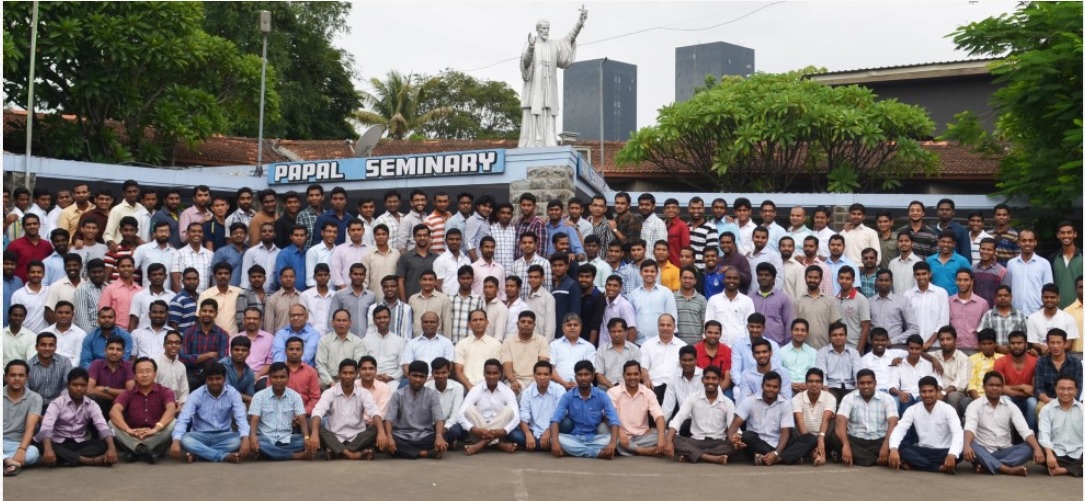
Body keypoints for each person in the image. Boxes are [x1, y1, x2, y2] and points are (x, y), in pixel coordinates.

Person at [962, 371, 1044, 476]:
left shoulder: (1010, 406)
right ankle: (1007, 469)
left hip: (1005, 451)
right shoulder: (974, 406)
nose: (994, 388)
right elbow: (970, 428)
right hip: (983, 450)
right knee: (971, 444)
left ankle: (988, 465)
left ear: (1002, 388)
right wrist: (966, 446)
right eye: (991, 385)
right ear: (984, 387)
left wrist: (1037, 448)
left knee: (1029, 448)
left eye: (998, 385)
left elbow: (1024, 430)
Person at [35, 368, 118, 467]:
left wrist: (112, 448)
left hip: (79, 443)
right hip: (58, 442)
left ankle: (65, 459)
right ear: (68, 386)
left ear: (87, 386)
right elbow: (46, 427)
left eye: (83, 385)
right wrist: (48, 449)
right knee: (41, 444)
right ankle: (89, 461)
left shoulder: (91, 404)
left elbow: (103, 426)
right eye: (75, 385)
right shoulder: (57, 403)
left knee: (103, 445)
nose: (79, 388)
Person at [310, 359, 386, 461]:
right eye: (344, 373)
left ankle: (337, 452)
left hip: (357, 438)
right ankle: (351, 454)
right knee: (313, 424)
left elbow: (374, 411)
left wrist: (381, 432)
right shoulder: (330, 393)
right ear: (339, 373)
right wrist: (314, 433)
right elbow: (318, 411)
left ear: (357, 374)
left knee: (377, 426)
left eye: (351, 373)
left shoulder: (364, 393)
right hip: (334, 437)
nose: (348, 376)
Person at [726, 371, 807, 465]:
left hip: (779, 443)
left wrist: (776, 453)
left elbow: (785, 433)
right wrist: (732, 441)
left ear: (780, 388)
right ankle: (788, 457)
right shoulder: (749, 401)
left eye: (775, 387)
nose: (771, 389)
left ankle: (775, 458)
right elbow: (733, 427)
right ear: (762, 386)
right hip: (757, 443)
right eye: (768, 386)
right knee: (746, 436)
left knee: (808, 438)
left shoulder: (785, 404)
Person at [888, 376, 964, 474]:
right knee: (901, 448)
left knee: (962, 450)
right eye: (923, 391)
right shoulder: (913, 410)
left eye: (930, 391)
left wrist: (952, 454)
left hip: (944, 451)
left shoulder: (948, 409)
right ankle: (938, 468)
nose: (927, 395)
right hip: (923, 450)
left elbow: (957, 432)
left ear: (937, 392)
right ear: (919, 393)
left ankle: (919, 464)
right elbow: (900, 430)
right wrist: (893, 449)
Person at [108, 357, 177, 463]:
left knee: (174, 423)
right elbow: (114, 411)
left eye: (148, 371)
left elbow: (171, 409)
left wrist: (156, 429)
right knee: (111, 423)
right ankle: (144, 451)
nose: (144, 375)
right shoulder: (128, 393)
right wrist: (128, 430)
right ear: (135, 376)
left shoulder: (165, 391)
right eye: (140, 372)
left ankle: (136, 450)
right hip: (134, 435)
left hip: (157, 435)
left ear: (155, 374)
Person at [664, 365, 735, 464]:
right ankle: (712, 458)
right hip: (696, 441)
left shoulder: (728, 403)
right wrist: (668, 440)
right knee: (675, 439)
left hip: (718, 442)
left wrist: (736, 440)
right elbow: (678, 418)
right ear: (702, 380)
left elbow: (733, 426)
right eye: (707, 378)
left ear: (720, 381)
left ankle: (692, 455)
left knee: (734, 447)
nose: (710, 381)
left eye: (714, 378)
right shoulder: (693, 398)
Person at [549, 360, 620, 459]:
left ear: (592, 376)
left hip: (595, 438)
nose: (583, 378)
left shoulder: (601, 395)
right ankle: (597, 453)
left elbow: (614, 419)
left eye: (586, 374)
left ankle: (574, 451)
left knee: (616, 440)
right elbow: (555, 420)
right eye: (580, 375)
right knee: (554, 439)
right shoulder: (568, 396)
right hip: (574, 437)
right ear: (575, 377)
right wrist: (555, 443)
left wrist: (612, 443)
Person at [830, 369, 899, 467]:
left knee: (899, 441)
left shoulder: (887, 399)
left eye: (869, 383)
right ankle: (878, 459)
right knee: (835, 438)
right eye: (862, 383)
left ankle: (859, 458)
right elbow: (840, 420)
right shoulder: (849, 398)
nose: (866, 386)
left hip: (880, 441)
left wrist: (886, 445)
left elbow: (893, 422)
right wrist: (846, 445)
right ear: (857, 384)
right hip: (855, 440)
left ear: (875, 383)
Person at [382, 361, 447, 459]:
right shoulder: (398, 394)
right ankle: (424, 453)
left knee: (443, 437)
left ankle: (408, 452)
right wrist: (390, 438)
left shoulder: (432, 395)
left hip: (424, 437)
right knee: (387, 440)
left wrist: (439, 436)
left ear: (426, 378)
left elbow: (439, 419)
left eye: (422, 377)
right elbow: (388, 419)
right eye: (415, 376)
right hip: (401, 436)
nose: (418, 380)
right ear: (408, 375)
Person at [248, 362, 311, 461]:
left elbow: (302, 418)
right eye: (275, 377)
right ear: (269, 378)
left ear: (288, 378)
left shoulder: (295, 396)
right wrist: (252, 436)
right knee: (255, 443)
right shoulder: (259, 396)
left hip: (287, 438)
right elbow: (254, 419)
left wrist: (306, 437)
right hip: (265, 438)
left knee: (306, 441)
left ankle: (270, 453)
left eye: (282, 377)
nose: (278, 380)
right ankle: (294, 456)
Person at [459, 359, 519, 455]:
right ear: (484, 373)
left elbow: (516, 417)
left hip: (499, 433)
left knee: (508, 410)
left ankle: (482, 444)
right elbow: (460, 415)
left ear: (500, 374)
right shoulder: (476, 390)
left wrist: (504, 431)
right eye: (488, 373)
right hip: (478, 433)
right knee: (469, 410)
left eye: (495, 373)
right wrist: (474, 429)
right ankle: (498, 444)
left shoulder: (507, 391)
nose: (491, 376)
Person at [607, 361, 665, 456]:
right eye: (629, 374)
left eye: (635, 374)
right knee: (603, 430)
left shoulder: (648, 393)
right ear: (623, 375)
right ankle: (642, 450)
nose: (632, 377)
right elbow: (609, 415)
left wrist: (661, 436)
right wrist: (620, 432)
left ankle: (627, 448)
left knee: (668, 435)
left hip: (642, 436)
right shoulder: (613, 392)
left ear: (640, 375)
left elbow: (658, 415)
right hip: (619, 434)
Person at [509, 361, 565, 452]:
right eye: (539, 374)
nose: (542, 377)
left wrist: (549, 431)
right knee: (513, 433)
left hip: (554, 430)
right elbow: (523, 416)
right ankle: (547, 444)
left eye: (546, 374)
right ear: (534, 375)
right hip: (534, 432)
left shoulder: (559, 390)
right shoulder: (527, 392)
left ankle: (536, 445)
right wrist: (528, 434)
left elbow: (560, 414)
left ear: (551, 376)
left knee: (567, 424)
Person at [1037, 375, 1083, 477]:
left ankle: (1062, 470)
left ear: (1076, 390)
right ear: (1055, 389)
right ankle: (1077, 468)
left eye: (1070, 389)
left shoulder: (1082, 409)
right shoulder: (1046, 410)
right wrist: (1049, 454)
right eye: (1061, 388)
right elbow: (1044, 434)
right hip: (1056, 453)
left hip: (1079, 453)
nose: (1065, 392)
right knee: (1037, 450)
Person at [3, 360, 42, 475]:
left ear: (27, 377)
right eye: (13, 375)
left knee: (33, 452)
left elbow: (30, 428)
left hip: (15, 444)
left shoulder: (35, 398)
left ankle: (7, 461)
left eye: (21, 375)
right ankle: (8, 462)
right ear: (6, 377)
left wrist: (22, 449)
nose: (17, 379)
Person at [791, 368, 837, 466]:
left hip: (824, 436)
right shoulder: (797, 398)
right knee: (792, 426)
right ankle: (817, 454)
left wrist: (820, 438)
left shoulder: (830, 398)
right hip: (804, 436)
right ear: (806, 383)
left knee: (833, 422)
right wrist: (810, 443)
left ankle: (814, 453)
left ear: (822, 384)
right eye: (810, 381)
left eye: (818, 381)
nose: (814, 384)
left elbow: (826, 419)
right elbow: (800, 422)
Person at [181, 299, 229, 390]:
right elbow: (184, 358)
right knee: (188, 382)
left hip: (214, 374)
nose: (207, 314)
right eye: (204, 311)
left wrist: (197, 359)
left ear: (216, 314)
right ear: (199, 312)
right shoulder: (188, 333)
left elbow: (223, 360)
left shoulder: (222, 334)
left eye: (211, 311)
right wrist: (208, 355)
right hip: (192, 374)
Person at [1034, 329, 1083, 416]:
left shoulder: (1075, 362)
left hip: (1070, 399)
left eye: (1059, 342)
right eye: (1052, 343)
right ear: (1047, 344)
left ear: (1065, 343)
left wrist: (1066, 401)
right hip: (1048, 400)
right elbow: (1038, 388)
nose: (1055, 346)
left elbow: (1078, 387)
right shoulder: (1041, 362)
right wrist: (1047, 400)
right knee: (1040, 408)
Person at [500, 311, 551, 395]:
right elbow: (507, 365)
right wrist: (513, 381)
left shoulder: (542, 340)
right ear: (517, 324)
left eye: (530, 322)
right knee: (511, 392)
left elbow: (543, 364)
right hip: (516, 379)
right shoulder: (508, 341)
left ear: (534, 325)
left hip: (536, 379)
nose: (526, 324)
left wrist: (538, 381)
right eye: (523, 322)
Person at [704, 267, 755, 348]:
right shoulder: (713, 300)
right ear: (723, 279)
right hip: (718, 347)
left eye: (735, 278)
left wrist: (747, 347)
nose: (731, 281)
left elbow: (749, 326)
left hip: (741, 347)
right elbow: (708, 324)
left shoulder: (747, 301)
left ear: (739, 281)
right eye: (728, 278)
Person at [891, 335, 942, 416]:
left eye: (917, 349)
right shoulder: (899, 364)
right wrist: (900, 393)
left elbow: (938, 384)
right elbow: (892, 386)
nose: (914, 351)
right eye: (911, 348)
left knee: (921, 400)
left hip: (923, 396)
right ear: (907, 348)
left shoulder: (928, 364)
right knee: (907, 399)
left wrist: (927, 393)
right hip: (906, 396)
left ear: (921, 349)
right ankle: (906, 424)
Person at [454, 309, 503, 391]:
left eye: (481, 319)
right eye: (475, 320)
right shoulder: (461, 344)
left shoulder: (496, 344)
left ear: (487, 322)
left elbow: (498, 371)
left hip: (489, 387)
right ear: (469, 324)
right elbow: (458, 371)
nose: (478, 322)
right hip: (466, 387)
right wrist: (469, 386)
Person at [794, 266, 842, 350]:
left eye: (816, 278)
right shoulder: (798, 301)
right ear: (805, 278)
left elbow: (834, 326)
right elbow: (795, 326)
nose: (812, 280)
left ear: (821, 279)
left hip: (825, 348)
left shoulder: (830, 300)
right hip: (804, 349)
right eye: (810, 277)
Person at [315, 309, 365, 389]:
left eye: (344, 320)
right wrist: (330, 382)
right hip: (330, 379)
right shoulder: (324, 340)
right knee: (317, 383)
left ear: (350, 323)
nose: (341, 323)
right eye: (338, 320)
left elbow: (359, 365)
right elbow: (320, 365)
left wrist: (350, 380)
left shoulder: (358, 342)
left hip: (351, 379)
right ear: (332, 323)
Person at [1006, 229, 1052, 315]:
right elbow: (1007, 289)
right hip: (1016, 313)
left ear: (1035, 242)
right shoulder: (1011, 264)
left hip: (1037, 312)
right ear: (1018, 242)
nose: (1027, 243)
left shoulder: (1044, 264)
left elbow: (1049, 289)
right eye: (1024, 240)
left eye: (1030, 241)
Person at [86, 336, 135, 415]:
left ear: (123, 353)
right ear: (105, 350)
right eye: (111, 348)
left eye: (118, 349)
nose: (114, 352)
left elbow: (130, 392)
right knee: (93, 398)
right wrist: (115, 397)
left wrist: (105, 389)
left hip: (122, 405)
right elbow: (88, 390)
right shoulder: (97, 364)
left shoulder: (128, 366)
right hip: (102, 404)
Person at [399, 312, 455, 381]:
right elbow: (406, 367)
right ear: (421, 324)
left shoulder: (447, 343)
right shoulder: (411, 343)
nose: (429, 324)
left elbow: (449, 366)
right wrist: (418, 380)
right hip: (415, 380)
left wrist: (430, 381)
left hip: (438, 380)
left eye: (432, 322)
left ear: (438, 324)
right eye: (425, 322)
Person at [869, 269, 919, 347]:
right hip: (873, 347)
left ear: (892, 282)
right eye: (881, 280)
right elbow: (865, 327)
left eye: (886, 280)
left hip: (895, 346)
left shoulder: (902, 301)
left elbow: (914, 329)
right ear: (876, 282)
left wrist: (892, 341)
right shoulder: (869, 302)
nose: (883, 283)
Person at [815, 321, 861, 403]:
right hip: (831, 387)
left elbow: (858, 374)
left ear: (846, 336)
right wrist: (826, 393)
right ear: (830, 338)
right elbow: (822, 375)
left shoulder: (854, 353)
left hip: (850, 387)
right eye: (835, 335)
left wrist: (857, 392)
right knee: (829, 402)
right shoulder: (822, 353)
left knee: (855, 402)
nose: (838, 337)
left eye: (841, 335)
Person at [906, 262, 949, 348]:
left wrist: (929, 342)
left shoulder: (941, 293)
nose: (921, 277)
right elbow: (907, 323)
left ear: (930, 274)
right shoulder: (907, 295)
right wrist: (916, 343)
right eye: (918, 274)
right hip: (914, 346)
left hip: (936, 345)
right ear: (914, 276)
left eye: (924, 274)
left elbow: (943, 322)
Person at [425, 358, 466, 448]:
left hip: (450, 424)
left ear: (449, 372)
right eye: (437, 373)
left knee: (455, 431)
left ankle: (437, 442)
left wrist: (446, 427)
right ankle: (445, 442)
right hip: (433, 425)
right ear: (432, 373)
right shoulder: (426, 388)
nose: (440, 376)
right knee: (424, 433)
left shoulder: (457, 387)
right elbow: (426, 414)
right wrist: (438, 430)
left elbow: (455, 414)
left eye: (443, 372)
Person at [1027, 283, 1080, 352]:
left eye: (1052, 297)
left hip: (1062, 356)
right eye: (1046, 297)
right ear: (1042, 298)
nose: (1049, 300)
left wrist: (1054, 351)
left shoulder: (1068, 318)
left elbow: (1069, 344)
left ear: (1058, 298)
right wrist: (1041, 346)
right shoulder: (1032, 318)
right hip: (1041, 356)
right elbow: (1032, 342)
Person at [549, 314, 597, 390]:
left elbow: (591, 370)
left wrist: (578, 384)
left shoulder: (589, 347)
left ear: (580, 328)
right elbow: (551, 369)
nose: (572, 327)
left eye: (575, 325)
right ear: (563, 328)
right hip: (557, 386)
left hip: (583, 387)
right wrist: (563, 383)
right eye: (569, 325)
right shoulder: (554, 345)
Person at [362, 305, 406, 385]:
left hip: (392, 380)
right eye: (378, 318)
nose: (382, 320)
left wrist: (391, 377)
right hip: (370, 379)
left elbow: (402, 366)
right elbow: (361, 363)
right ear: (374, 320)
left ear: (390, 319)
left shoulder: (400, 341)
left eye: (385, 317)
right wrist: (373, 376)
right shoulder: (365, 341)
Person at [329, 264, 375, 337]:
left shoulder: (371, 296)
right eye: (355, 274)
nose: (358, 277)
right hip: (345, 338)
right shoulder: (340, 295)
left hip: (365, 338)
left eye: (361, 274)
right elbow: (332, 318)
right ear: (350, 275)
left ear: (365, 276)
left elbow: (373, 319)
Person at [27, 333, 72, 407]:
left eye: (51, 345)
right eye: (43, 345)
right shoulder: (28, 365)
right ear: (36, 347)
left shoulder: (64, 362)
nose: (47, 348)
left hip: (59, 406)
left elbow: (67, 386)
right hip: (34, 406)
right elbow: (26, 391)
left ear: (55, 347)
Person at [196, 262, 241, 336]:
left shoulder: (238, 292)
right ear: (214, 276)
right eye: (220, 273)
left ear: (230, 275)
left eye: (226, 273)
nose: (223, 276)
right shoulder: (206, 295)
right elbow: (200, 318)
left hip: (234, 338)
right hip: (213, 338)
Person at [835, 266, 871, 351]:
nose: (844, 281)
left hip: (854, 347)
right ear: (837, 279)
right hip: (837, 347)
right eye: (841, 278)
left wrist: (858, 352)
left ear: (853, 280)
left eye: (847, 278)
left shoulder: (861, 299)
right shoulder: (834, 299)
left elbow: (866, 328)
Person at [282, 337, 321, 415]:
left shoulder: (311, 372)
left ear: (302, 352)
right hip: (280, 414)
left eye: (298, 349)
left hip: (304, 414)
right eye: (291, 349)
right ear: (285, 351)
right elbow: (270, 395)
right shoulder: (277, 370)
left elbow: (315, 397)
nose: (294, 352)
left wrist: (302, 412)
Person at [407, 270, 451, 337]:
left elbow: (447, 323)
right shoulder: (413, 299)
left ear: (435, 282)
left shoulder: (444, 299)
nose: (427, 282)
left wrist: (447, 341)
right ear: (420, 282)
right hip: (416, 339)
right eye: (424, 279)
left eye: (430, 280)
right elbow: (409, 322)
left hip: (437, 340)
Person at [11, 260, 50, 335]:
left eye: (39, 272)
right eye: (33, 272)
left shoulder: (50, 291)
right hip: (25, 336)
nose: (36, 274)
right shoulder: (18, 294)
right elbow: (15, 318)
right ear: (27, 274)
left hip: (45, 337)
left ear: (43, 274)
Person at [926, 231, 971, 295]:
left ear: (954, 244)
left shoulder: (962, 261)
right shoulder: (929, 260)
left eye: (949, 242)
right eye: (943, 241)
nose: (946, 244)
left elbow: (970, 281)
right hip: (934, 298)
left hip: (955, 299)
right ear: (938, 243)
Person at [780, 319, 817, 395]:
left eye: (803, 330)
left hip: (808, 390)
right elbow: (778, 374)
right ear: (791, 332)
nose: (799, 333)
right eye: (796, 330)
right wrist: (788, 384)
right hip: (786, 389)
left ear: (807, 333)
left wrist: (808, 385)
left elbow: (815, 374)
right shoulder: (781, 352)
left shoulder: (813, 352)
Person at [155, 331, 190, 408]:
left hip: (177, 407)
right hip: (158, 406)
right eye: (170, 343)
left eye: (177, 343)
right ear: (164, 346)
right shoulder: (155, 364)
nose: (174, 345)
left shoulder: (181, 367)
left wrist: (181, 405)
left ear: (181, 346)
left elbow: (184, 392)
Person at [1051, 222, 1081, 309]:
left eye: (1069, 232)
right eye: (1062, 233)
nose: (1066, 235)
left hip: (1081, 309)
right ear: (1058, 235)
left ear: (1075, 234)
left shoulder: (1082, 255)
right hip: (1059, 309)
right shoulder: (1053, 258)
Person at [967, 330, 1004, 401]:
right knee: (964, 401)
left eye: (990, 343)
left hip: (998, 397)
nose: (987, 347)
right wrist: (979, 401)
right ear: (979, 345)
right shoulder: (972, 359)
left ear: (995, 344)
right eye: (983, 344)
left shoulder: (1002, 359)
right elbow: (971, 384)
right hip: (977, 397)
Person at [220, 336, 255, 404]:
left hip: (238, 404)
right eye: (236, 349)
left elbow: (250, 394)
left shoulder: (249, 373)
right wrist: (253, 400)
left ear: (249, 353)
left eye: (244, 350)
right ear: (230, 351)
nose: (240, 353)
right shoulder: (222, 365)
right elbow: (226, 391)